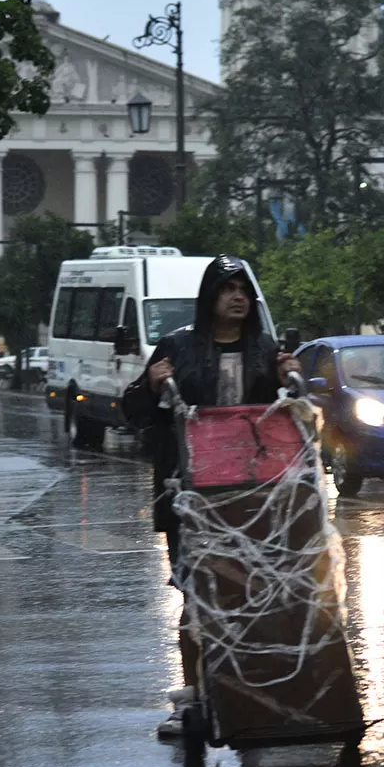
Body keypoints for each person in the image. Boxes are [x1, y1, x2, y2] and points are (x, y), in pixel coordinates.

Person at [121, 255, 301, 739]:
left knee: (258, 595)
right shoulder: (176, 348)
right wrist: (152, 386)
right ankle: (193, 697)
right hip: (191, 498)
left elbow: (292, 416)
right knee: (196, 599)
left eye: (244, 288)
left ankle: (258, 693)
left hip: (256, 497)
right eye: (227, 288)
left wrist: (289, 379)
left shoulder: (266, 351)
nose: (237, 296)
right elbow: (133, 409)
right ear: (210, 297)